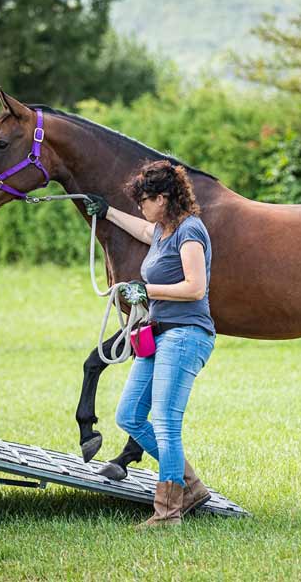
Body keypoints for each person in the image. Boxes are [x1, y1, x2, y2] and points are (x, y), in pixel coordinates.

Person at [84, 160, 216, 528]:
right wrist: (107, 212)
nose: (140, 206)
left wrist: (146, 289)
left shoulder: (190, 232)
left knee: (165, 424)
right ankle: (189, 485)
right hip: (157, 334)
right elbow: (142, 228)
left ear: (163, 198)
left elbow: (195, 288)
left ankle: (167, 512)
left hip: (186, 335)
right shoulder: (162, 230)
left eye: (144, 200)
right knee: (128, 415)